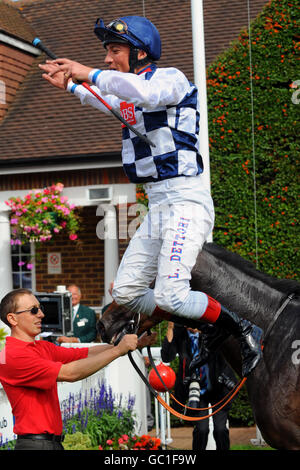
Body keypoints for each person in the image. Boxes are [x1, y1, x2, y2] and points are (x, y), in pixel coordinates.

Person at [39, 15, 263, 377]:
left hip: (186, 201)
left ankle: (243, 328)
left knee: (170, 295)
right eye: (106, 53)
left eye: (114, 51)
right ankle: (205, 319)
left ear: (141, 53)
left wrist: (88, 72)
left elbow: (140, 92)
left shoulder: (170, 80)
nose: (108, 59)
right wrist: (70, 85)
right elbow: (109, 99)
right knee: (126, 292)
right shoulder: (128, 93)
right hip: (158, 204)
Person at [0, 288, 147, 450]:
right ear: (12, 319)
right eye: (33, 310)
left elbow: (84, 353)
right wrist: (118, 350)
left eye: (40, 308)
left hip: (49, 443)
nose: (41, 314)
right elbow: (70, 373)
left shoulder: (41, 347)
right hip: (35, 445)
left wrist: (128, 344)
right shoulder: (12, 355)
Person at [161, 322, 237, 450]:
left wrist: (205, 331)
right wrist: (170, 328)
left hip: (218, 385)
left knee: (220, 429)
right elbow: (167, 357)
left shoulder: (211, 330)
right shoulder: (181, 333)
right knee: (201, 430)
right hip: (195, 390)